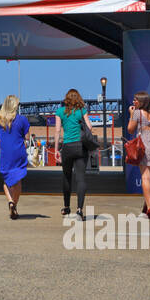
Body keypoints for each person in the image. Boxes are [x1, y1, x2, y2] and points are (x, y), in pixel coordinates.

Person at [54, 89, 94, 220]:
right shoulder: (82, 110)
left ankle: (66, 207)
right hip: (80, 146)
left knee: (66, 177)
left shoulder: (60, 111)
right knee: (81, 178)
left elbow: (57, 131)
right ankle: (79, 210)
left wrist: (56, 149)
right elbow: (90, 127)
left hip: (67, 147)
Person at [0, 95, 30, 219]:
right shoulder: (22, 120)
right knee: (17, 179)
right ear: (15, 106)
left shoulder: (0, 122)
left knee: (6, 180)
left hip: (6, 155)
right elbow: (27, 138)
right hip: (19, 153)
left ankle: (10, 201)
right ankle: (14, 204)